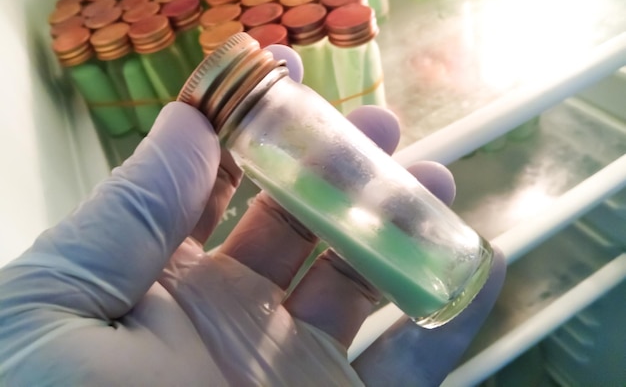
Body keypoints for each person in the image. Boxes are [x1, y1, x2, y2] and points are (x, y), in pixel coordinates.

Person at [0, 47, 505, 386]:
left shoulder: (285, 106)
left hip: (452, 256)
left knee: (391, 203)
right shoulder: (250, 144)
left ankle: (453, 264)